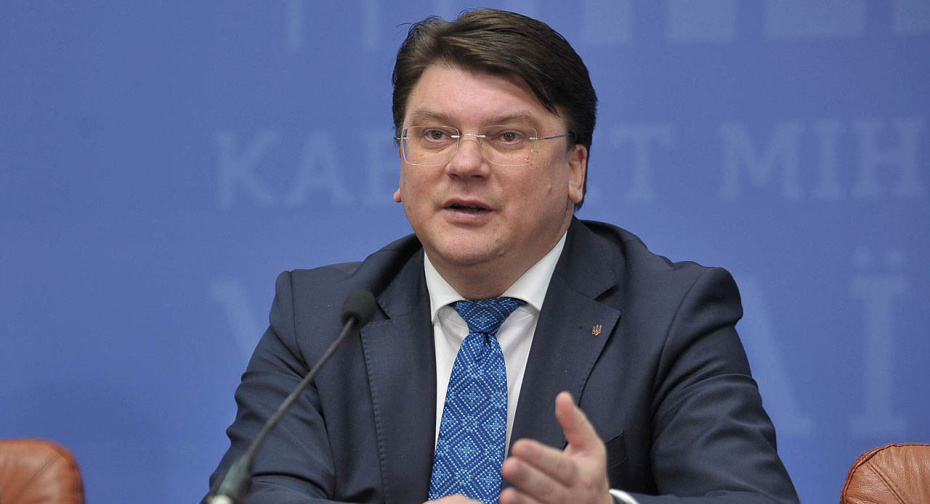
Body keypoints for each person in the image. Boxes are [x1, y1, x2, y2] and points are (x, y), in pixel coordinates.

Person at [208, 8, 799, 504]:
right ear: (401, 161)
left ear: (575, 170)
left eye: (508, 136)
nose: (465, 164)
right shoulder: (320, 318)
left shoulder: (670, 315)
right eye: (436, 135)